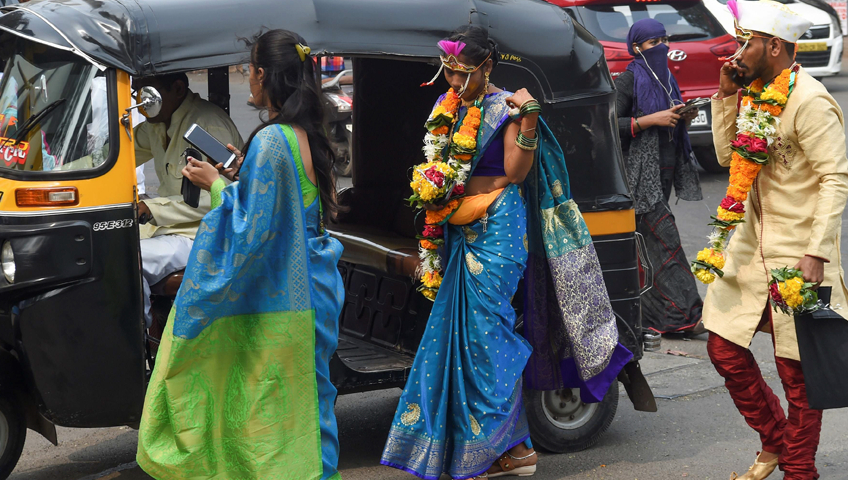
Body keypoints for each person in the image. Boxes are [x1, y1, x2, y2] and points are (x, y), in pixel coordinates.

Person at [380, 25, 632, 480]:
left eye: (462, 74)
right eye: (449, 73)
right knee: (455, 336)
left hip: (498, 225)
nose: (454, 83)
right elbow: (442, 163)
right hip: (458, 227)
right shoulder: (447, 106)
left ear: (487, 66)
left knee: (487, 332)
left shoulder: (507, 107)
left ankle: (509, 449)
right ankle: (500, 448)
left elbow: (515, 173)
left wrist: (529, 118)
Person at [136, 29, 345, 480]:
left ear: (263, 75)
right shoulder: (301, 132)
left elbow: (250, 229)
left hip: (285, 299)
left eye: (250, 68)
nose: (248, 77)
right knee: (307, 406)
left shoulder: (271, 141)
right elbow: (281, 208)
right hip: (315, 283)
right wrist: (239, 173)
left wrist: (215, 182)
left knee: (271, 414)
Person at [703, 1, 848, 479]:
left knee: (799, 376)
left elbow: (836, 179)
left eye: (744, 43)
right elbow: (721, 157)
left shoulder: (811, 101)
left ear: (773, 46)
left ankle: (799, 469)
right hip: (749, 250)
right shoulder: (750, 94)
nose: (735, 53)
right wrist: (725, 97)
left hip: (798, 256)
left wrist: (817, 250)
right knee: (723, 348)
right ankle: (775, 442)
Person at [615, 18, 705, 336]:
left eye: (664, 40)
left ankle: (657, 318)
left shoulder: (665, 77)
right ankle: (686, 315)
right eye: (654, 43)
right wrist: (650, 120)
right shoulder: (628, 80)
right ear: (637, 47)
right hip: (642, 178)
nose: (662, 47)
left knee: (653, 249)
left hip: (666, 171)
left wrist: (682, 115)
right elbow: (609, 125)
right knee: (668, 244)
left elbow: (669, 120)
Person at [132, 73, 243, 328]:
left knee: (125, 259)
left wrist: (152, 207)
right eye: (137, 92)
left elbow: (222, 195)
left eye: (148, 93)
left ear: (178, 89)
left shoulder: (207, 124)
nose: (141, 101)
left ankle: (141, 343)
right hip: (171, 231)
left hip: (204, 234)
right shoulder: (157, 124)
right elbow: (119, 153)